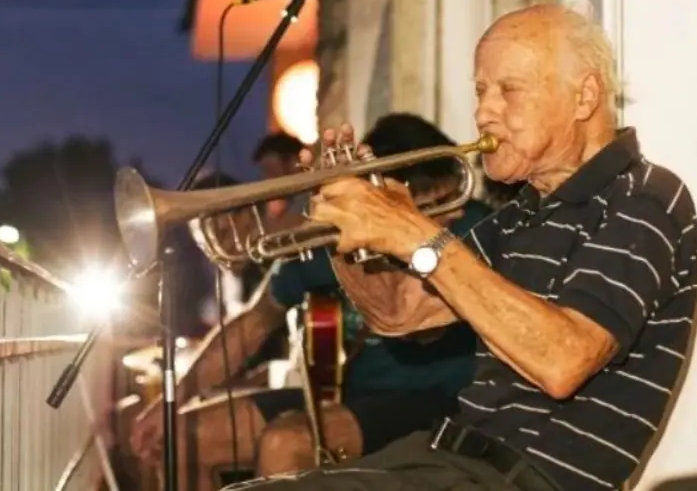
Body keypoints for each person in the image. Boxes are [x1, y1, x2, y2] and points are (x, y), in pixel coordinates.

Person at [227, 3, 697, 491]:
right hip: (448, 457)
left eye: (508, 91)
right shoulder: (522, 213)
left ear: (583, 97)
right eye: (480, 91)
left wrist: (413, 233)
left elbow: (563, 360)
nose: (482, 112)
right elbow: (399, 313)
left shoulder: (646, 198)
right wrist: (346, 226)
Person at [130, 115, 492, 490]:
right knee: (181, 437)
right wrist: (173, 403)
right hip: (351, 397)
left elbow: (411, 319)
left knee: (284, 444)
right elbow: (253, 325)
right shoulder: (344, 231)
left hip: (440, 401)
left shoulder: (472, 225)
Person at [253, 132, 307, 222]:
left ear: (292, 162)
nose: (267, 179)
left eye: (270, 169)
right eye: (264, 170)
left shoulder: (307, 199)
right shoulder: (268, 206)